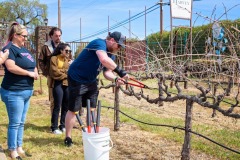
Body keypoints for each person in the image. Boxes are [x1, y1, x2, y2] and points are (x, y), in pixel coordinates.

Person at [64, 31, 128, 147]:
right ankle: (68, 137)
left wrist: (115, 79)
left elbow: (107, 72)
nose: (119, 48)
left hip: (91, 80)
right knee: (74, 109)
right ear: (112, 40)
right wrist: (120, 71)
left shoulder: (111, 54)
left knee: (92, 108)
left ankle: (91, 135)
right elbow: (103, 59)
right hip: (77, 78)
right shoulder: (99, 43)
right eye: (119, 45)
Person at [1, 22, 38, 159]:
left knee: (21, 122)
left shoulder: (24, 50)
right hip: (13, 91)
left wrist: (35, 71)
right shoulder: (9, 48)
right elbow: (10, 67)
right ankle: (12, 150)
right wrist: (28, 74)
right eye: (24, 36)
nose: (26, 39)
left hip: (26, 91)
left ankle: (19, 146)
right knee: (15, 123)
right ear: (15, 35)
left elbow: (32, 64)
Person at [38, 27, 63, 115]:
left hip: (64, 77)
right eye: (56, 36)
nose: (58, 38)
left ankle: (63, 123)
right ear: (51, 36)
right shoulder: (45, 47)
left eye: (59, 36)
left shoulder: (64, 47)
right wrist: (47, 73)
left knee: (64, 99)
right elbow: (41, 61)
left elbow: (69, 59)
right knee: (53, 100)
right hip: (52, 77)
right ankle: (54, 122)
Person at [49, 43, 71, 134]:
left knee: (65, 106)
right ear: (61, 50)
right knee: (57, 105)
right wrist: (66, 73)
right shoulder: (54, 58)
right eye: (66, 50)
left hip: (67, 84)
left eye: (70, 51)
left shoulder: (68, 60)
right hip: (57, 83)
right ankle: (54, 127)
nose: (68, 52)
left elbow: (71, 71)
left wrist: (62, 71)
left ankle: (63, 125)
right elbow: (54, 73)